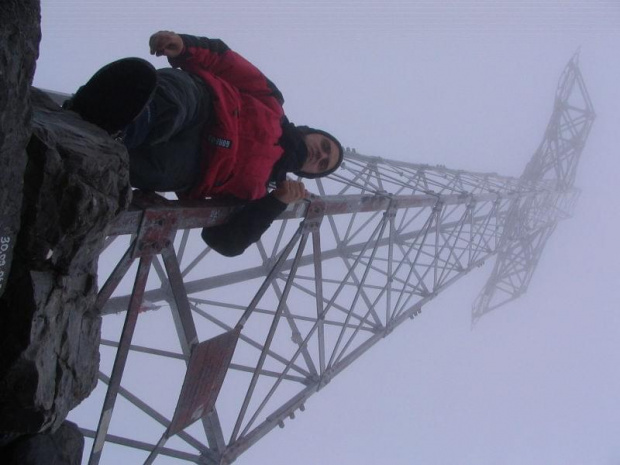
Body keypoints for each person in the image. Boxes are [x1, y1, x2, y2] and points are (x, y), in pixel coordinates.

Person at [66, 31, 344, 257]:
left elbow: (226, 242)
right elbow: (227, 61)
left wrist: (276, 203)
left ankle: (103, 129)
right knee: (174, 101)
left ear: (307, 173)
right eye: (325, 147)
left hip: (193, 166)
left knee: (158, 171)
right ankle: (116, 121)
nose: (319, 155)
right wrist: (184, 47)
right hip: (204, 103)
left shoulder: (264, 192)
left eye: (321, 164)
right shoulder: (272, 102)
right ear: (312, 133)